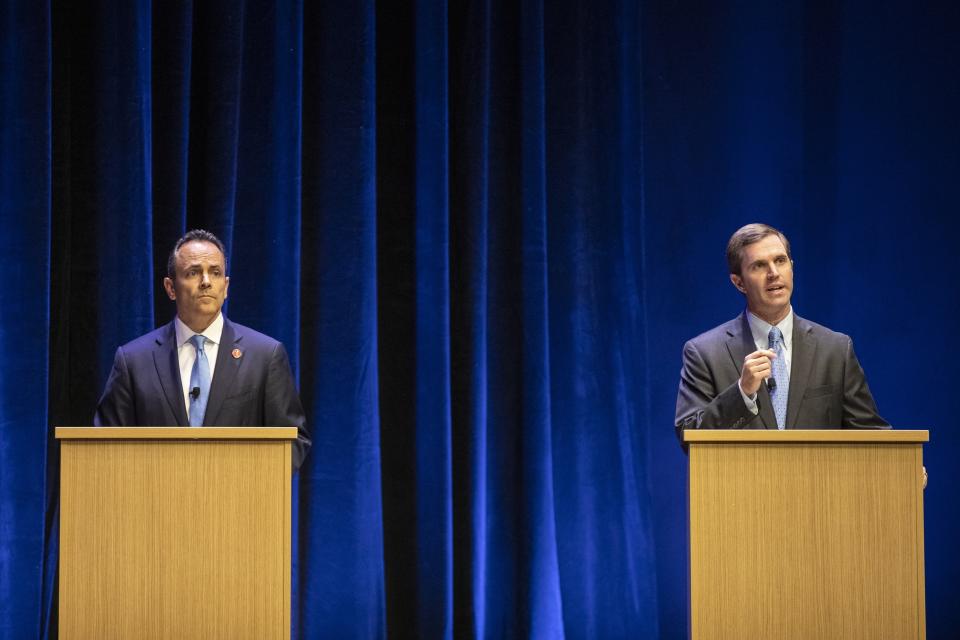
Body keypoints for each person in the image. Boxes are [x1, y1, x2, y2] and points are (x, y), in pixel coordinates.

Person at [94, 229, 311, 470]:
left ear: (226, 286)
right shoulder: (133, 361)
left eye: (215, 273)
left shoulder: (265, 356)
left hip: (237, 502)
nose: (206, 281)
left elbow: (293, 443)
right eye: (193, 272)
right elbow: (105, 447)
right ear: (170, 287)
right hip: (156, 502)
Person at [675, 223, 889, 443]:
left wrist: (904, 469)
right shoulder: (704, 353)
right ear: (739, 283)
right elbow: (689, 436)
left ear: (791, 267)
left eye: (780, 261)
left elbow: (870, 434)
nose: (774, 273)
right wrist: (742, 393)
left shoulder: (835, 349)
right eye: (759, 265)